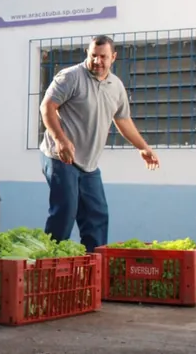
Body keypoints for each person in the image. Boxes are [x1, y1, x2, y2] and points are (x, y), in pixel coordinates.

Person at [39, 35, 160, 253]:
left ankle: (94, 270)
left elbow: (122, 120)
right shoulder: (71, 77)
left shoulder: (116, 86)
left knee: (97, 215)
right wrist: (60, 139)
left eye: (103, 57)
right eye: (93, 55)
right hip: (60, 157)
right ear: (88, 53)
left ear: (113, 57)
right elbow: (47, 107)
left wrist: (143, 147)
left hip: (89, 164)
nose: (97, 61)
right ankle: (49, 267)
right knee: (65, 212)